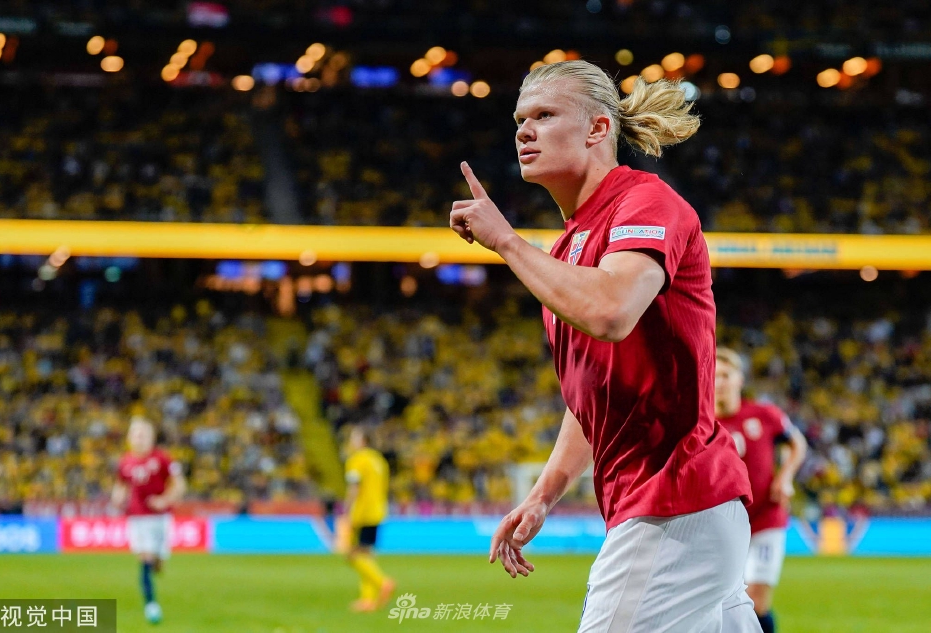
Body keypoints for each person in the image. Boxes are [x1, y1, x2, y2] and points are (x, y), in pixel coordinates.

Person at [449, 59, 760, 632]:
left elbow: (612, 312)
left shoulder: (646, 202)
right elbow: (595, 391)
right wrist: (544, 494)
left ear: (598, 128)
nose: (524, 131)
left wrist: (507, 242)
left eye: (545, 115)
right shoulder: (569, 246)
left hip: (673, 502)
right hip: (679, 511)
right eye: (519, 120)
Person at [715, 348, 808, 633]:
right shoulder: (700, 422)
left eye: (726, 375)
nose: (720, 382)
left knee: (756, 600)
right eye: (714, 375)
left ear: (740, 379)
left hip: (765, 517)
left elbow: (797, 443)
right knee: (721, 604)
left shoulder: (764, 414)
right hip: (721, 524)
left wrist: (785, 477)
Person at [111, 417, 186, 625]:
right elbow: (121, 485)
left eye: (144, 435)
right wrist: (117, 497)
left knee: (157, 562)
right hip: (137, 517)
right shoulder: (125, 462)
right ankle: (151, 604)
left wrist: (165, 500)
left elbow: (179, 484)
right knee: (145, 557)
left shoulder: (163, 459)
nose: (140, 439)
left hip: (160, 517)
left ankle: (156, 563)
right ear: (129, 438)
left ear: (152, 438)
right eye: (136, 435)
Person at [341, 426, 395, 612]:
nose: (351, 441)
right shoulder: (379, 460)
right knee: (366, 556)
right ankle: (367, 600)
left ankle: (382, 582)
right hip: (378, 511)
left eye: (354, 437)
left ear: (362, 441)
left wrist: (346, 509)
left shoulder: (357, 460)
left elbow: (354, 487)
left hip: (362, 512)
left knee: (351, 554)